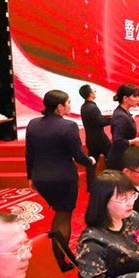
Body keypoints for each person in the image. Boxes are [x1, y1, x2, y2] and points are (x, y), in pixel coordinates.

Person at [25, 90, 95, 258]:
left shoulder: (33, 124)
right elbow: (78, 155)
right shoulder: (69, 126)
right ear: (59, 106)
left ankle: (58, 253)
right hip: (63, 179)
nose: (70, 106)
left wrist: (30, 176)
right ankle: (61, 258)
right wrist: (91, 161)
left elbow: (29, 153)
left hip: (40, 177)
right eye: (68, 102)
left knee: (59, 212)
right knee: (64, 216)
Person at [79, 84, 110, 188]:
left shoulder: (84, 107)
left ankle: (90, 183)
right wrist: (112, 120)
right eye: (93, 91)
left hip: (90, 138)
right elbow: (99, 122)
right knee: (111, 158)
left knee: (92, 162)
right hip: (100, 138)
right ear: (90, 94)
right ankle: (112, 180)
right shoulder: (93, 107)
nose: (95, 92)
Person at [106, 84, 139, 170]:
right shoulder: (121, 116)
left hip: (125, 157)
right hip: (120, 160)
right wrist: (133, 141)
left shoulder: (124, 112)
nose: (138, 99)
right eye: (135, 96)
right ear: (125, 98)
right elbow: (117, 141)